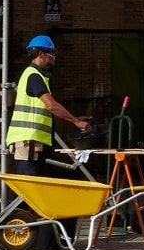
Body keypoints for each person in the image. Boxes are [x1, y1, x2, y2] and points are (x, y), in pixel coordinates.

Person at [6, 35, 92, 175]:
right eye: (51, 55)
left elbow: (47, 111)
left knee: (35, 191)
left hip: (32, 143)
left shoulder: (36, 76)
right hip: (28, 142)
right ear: (41, 54)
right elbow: (52, 106)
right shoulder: (34, 76)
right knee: (31, 192)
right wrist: (76, 122)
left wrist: (74, 117)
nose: (53, 59)